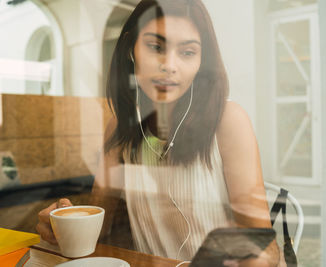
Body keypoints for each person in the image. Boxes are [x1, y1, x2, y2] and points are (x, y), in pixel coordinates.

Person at [37, 0, 283, 265]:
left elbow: (265, 246)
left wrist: (253, 259)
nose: (170, 65)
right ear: (132, 47)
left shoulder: (228, 122)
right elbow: (100, 224)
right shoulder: (121, 129)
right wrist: (63, 222)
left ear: (202, 61)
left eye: (187, 52)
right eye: (156, 47)